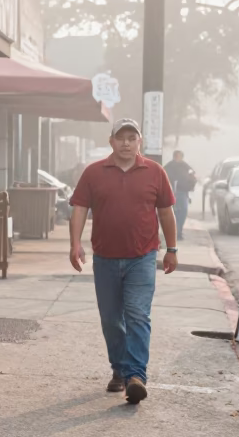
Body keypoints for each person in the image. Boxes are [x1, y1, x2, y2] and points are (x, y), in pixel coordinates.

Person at [69, 118, 178, 405]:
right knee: (111, 320)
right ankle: (119, 369)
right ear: (111, 141)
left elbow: (166, 212)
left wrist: (172, 249)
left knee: (138, 315)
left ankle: (136, 376)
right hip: (105, 258)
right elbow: (80, 208)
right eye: (121, 137)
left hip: (142, 258)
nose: (126, 143)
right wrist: (74, 244)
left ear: (139, 141)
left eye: (132, 137)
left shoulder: (155, 172)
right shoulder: (94, 173)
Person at [164, 150, 197, 239]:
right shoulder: (168, 167)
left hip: (183, 193)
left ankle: (179, 231)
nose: (178, 158)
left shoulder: (186, 166)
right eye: (176, 156)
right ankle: (174, 232)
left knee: (183, 212)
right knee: (174, 213)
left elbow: (193, 176)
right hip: (171, 193)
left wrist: (191, 186)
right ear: (174, 157)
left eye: (179, 156)